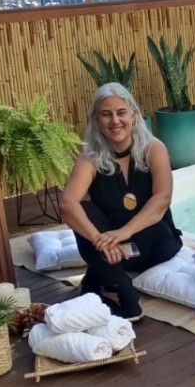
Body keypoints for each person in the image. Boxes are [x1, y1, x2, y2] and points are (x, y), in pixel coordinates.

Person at [59, 83, 182, 320]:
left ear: (133, 115)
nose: (115, 121)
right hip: (111, 247)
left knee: (149, 227)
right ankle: (126, 293)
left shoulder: (154, 149)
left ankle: (96, 279)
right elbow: (67, 203)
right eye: (106, 114)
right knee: (82, 210)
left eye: (121, 112)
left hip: (153, 242)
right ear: (96, 120)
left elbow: (162, 199)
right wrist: (100, 240)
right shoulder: (90, 158)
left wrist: (124, 232)